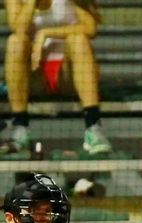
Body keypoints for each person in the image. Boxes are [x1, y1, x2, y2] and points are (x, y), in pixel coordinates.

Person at [2, 0, 113, 155]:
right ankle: (20, 129)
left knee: (79, 40)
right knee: (15, 42)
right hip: (35, 76)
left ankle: (94, 129)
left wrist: (46, 33)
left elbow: (90, 27)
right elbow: (18, 28)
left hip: (67, 74)